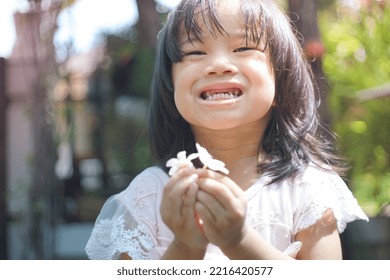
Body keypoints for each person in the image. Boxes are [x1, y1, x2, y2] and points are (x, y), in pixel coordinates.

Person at [85, 0, 368, 260]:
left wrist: (240, 241)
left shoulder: (307, 188)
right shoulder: (148, 196)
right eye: (195, 51)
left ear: (281, 82)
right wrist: (185, 247)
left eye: (243, 48)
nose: (217, 65)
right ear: (170, 87)